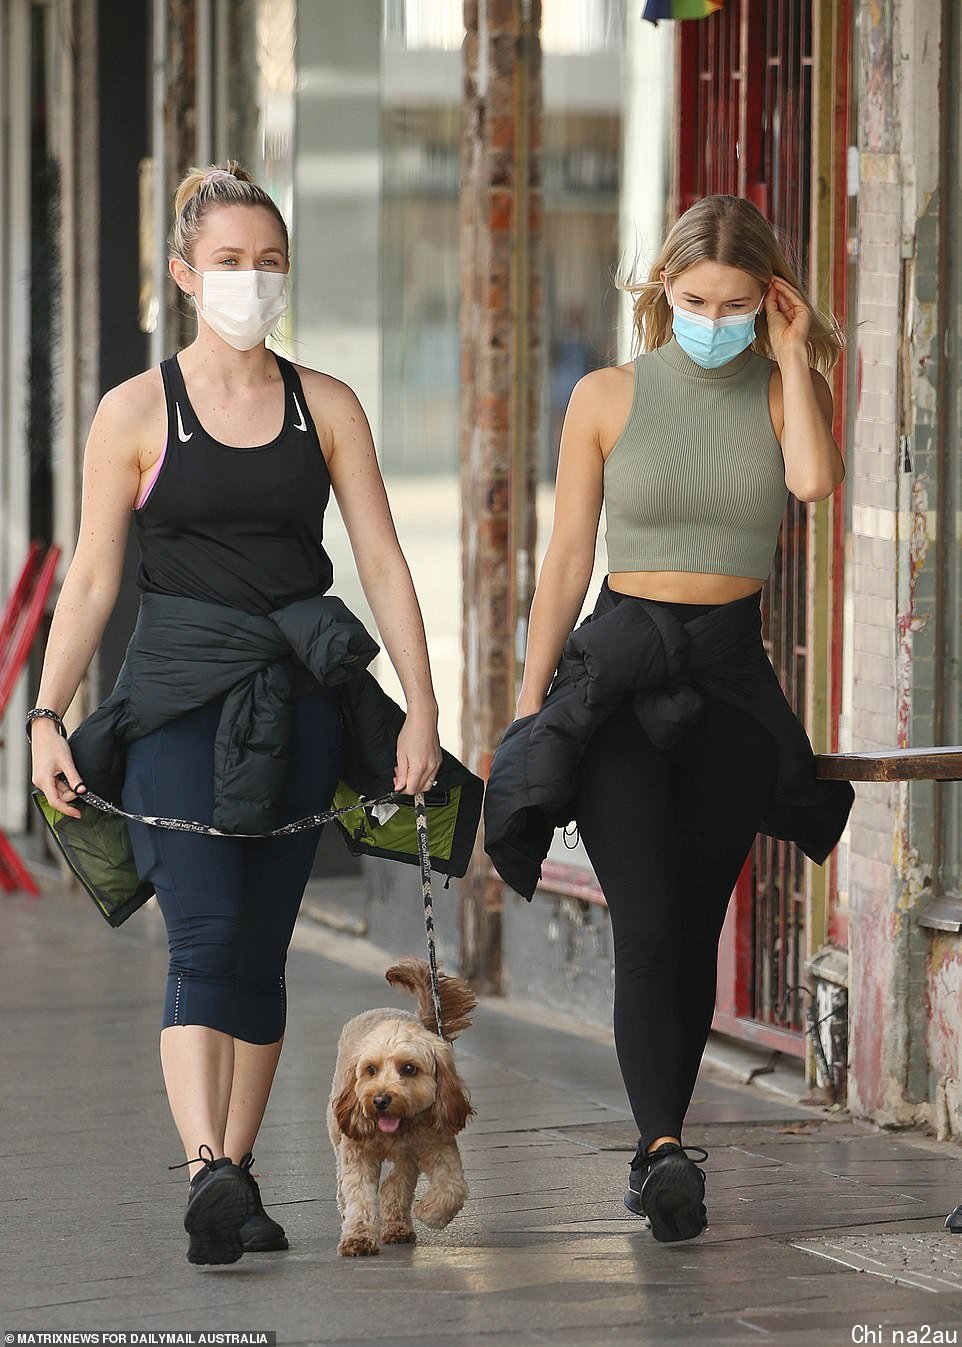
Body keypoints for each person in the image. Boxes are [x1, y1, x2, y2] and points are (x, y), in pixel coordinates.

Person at [28, 162, 449, 1265]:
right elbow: (91, 581)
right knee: (202, 936)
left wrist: (420, 706)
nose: (251, 281)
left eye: (269, 263)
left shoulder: (329, 405)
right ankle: (206, 1166)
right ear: (183, 274)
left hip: (300, 704)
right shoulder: (133, 411)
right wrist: (43, 712)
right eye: (229, 263)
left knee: (260, 953)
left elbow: (384, 564)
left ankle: (240, 1172)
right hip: (173, 704)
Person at [490, 194, 849, 1243]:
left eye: (735, 302)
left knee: (692, 925)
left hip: (730, 679)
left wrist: (787, 354)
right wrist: (529, 714)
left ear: (767, 300)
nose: (710, 315)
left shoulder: (790, 388)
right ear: (660, 290)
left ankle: (663, 1141)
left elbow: (814, 485)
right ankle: (658, 1148)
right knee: (645, 919)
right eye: (692, 298)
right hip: (617, 671)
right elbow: (563, 561)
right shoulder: (605, 395)